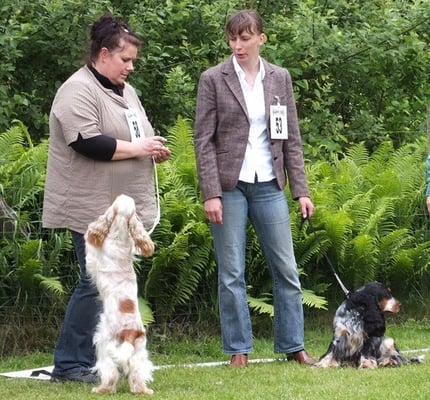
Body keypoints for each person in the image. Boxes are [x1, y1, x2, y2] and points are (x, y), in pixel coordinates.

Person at [42, 13, 170, 383]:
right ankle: (69, 364)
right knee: (94, 283)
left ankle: (99, 359)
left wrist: (151, 149)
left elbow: (136, 136)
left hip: (119, 208)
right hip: (89, 207)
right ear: (103, 54)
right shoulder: (76, 90)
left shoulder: (126, 91)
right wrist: (138, 148)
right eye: (125, 59)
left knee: (108, 285)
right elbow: (88, 142)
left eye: (133, 60)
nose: (131, 67)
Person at [194, 10, 315, 367]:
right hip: (229, 186)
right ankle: (238, 349)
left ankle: (294, 345)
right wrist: (211, 193)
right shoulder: (212, 78)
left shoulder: (280, 77)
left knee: (287, 269)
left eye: (245, 38)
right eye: (232, 38)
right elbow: (203, 140)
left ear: (261, 38)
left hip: (270, 183)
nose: (238, 45)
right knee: (231, 272)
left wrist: (301, 190)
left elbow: (291, 138)